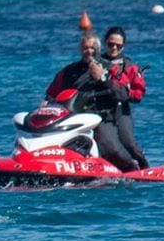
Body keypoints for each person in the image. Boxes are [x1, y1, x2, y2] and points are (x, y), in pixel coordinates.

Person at [44, 31, 140, 172]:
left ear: (98, 49)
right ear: (80, 49)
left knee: (110, 146)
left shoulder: (110, 68)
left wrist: (103, 78)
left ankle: (132, 166)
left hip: (101, 117)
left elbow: (123, 93)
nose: (88, 51)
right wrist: (45, 107)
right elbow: (51, 94)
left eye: (92, 48)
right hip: (73, 117)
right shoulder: (69, 71)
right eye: (85, 48)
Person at [99, 26, 149, 169]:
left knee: (129, 143)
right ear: (105, 43)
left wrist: (124, 92)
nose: (114, 48)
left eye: (118, 45)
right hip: (100, 110)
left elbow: (138, 94)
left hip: (121, 110)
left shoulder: (130, 68)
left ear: (123, 46)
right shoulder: (96, 64)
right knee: (108, 142)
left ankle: (143, 167)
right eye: (110, 44)